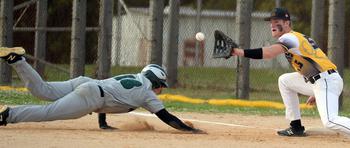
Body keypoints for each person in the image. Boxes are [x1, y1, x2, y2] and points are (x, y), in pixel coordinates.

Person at [0, 47, 205, 134]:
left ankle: (17, 61)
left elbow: (110, 96)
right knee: (48, 112)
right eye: (161, 85)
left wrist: (103, 123)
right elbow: (167, 117)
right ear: (155, 82)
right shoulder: (146, 93)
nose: (161, 90)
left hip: (86, 84)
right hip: (90, 94)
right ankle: (8, 115)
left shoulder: (134, 78)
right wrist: (191, 130)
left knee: (42, 89)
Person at [229, 8, 350, 136]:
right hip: (323, 79)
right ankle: (296, 127)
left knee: (330, 121)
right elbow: (318, 62)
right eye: (271, 22)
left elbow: (269, 53)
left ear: (287, 23)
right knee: (285, 80)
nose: (272, 25)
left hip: (326, 81)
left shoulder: (289, 37)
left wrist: (238, 52)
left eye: (277, 21)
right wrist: (317, 92)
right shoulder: (297, 37)